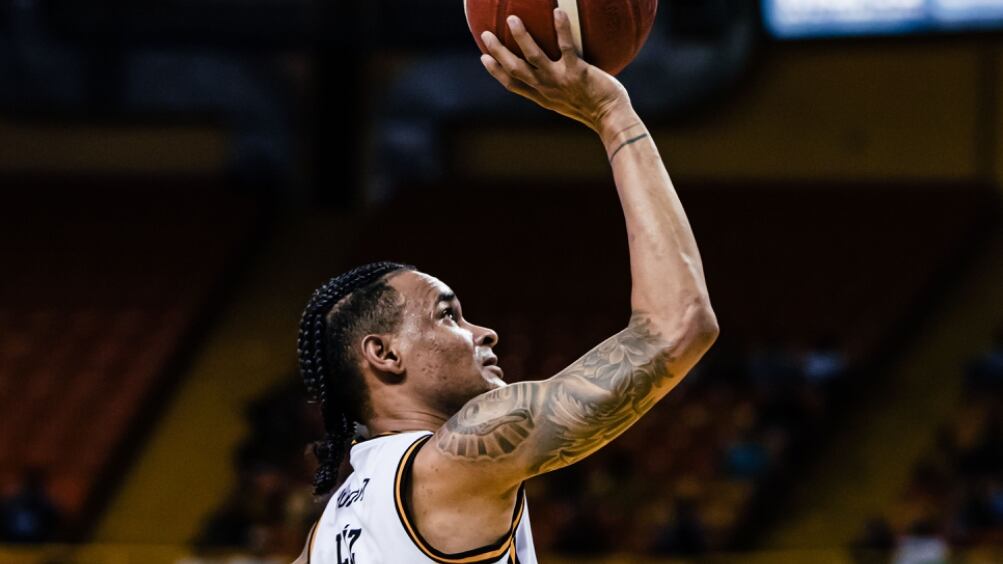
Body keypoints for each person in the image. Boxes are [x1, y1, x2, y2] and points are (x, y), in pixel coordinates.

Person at [294, 9, 718, 563]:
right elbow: (678, 327)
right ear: (384, 353)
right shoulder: (460, 454)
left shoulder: (329, 530)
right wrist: (613, 115)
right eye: (448, 315)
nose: (485, 332)